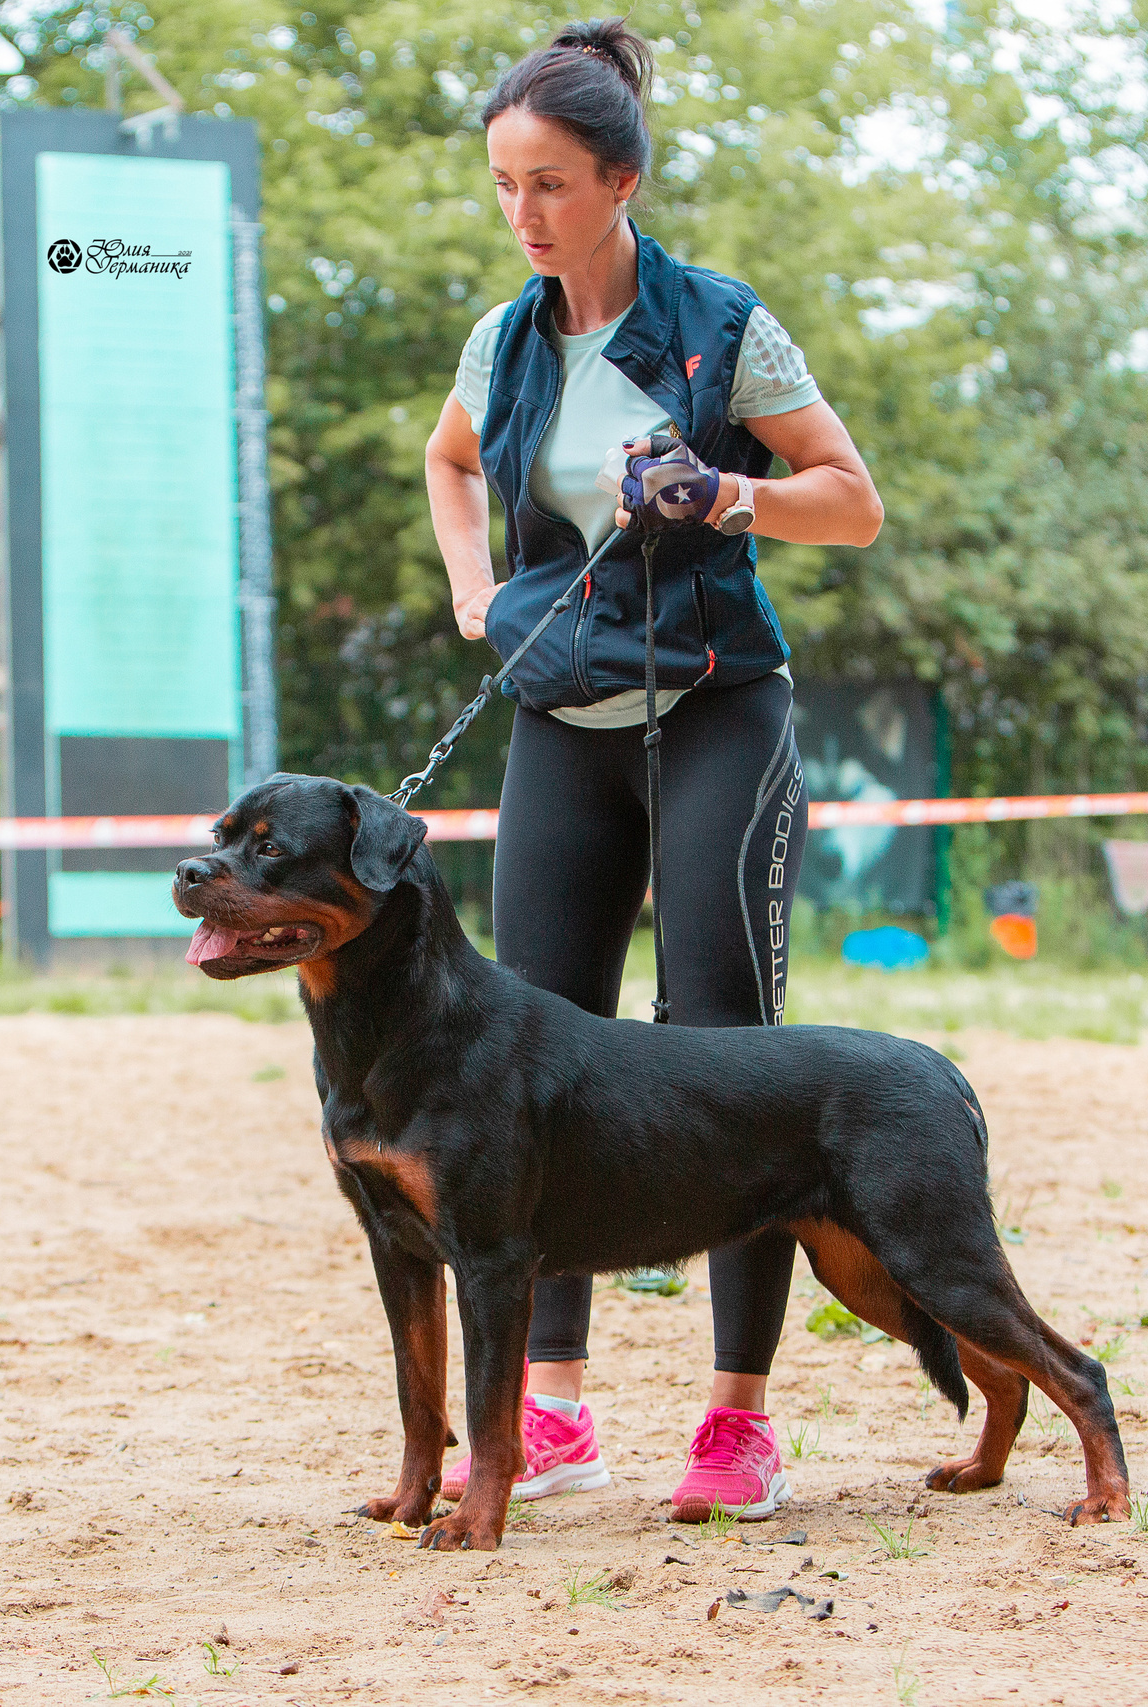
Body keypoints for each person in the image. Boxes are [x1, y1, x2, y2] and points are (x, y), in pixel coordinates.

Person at [421, 17, 884, 1523]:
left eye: (550, 183)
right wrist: (475, 592)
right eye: (505, 184)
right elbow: (448, 461)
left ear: (622, 180)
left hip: (717, 717)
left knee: (728, 1051)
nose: (524, 213)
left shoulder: (720, 325)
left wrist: (732, 494)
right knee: (524, 1058)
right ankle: (552, 1410)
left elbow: (853, 502)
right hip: (563, 725)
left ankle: (738, 1419)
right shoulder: (502, 341)